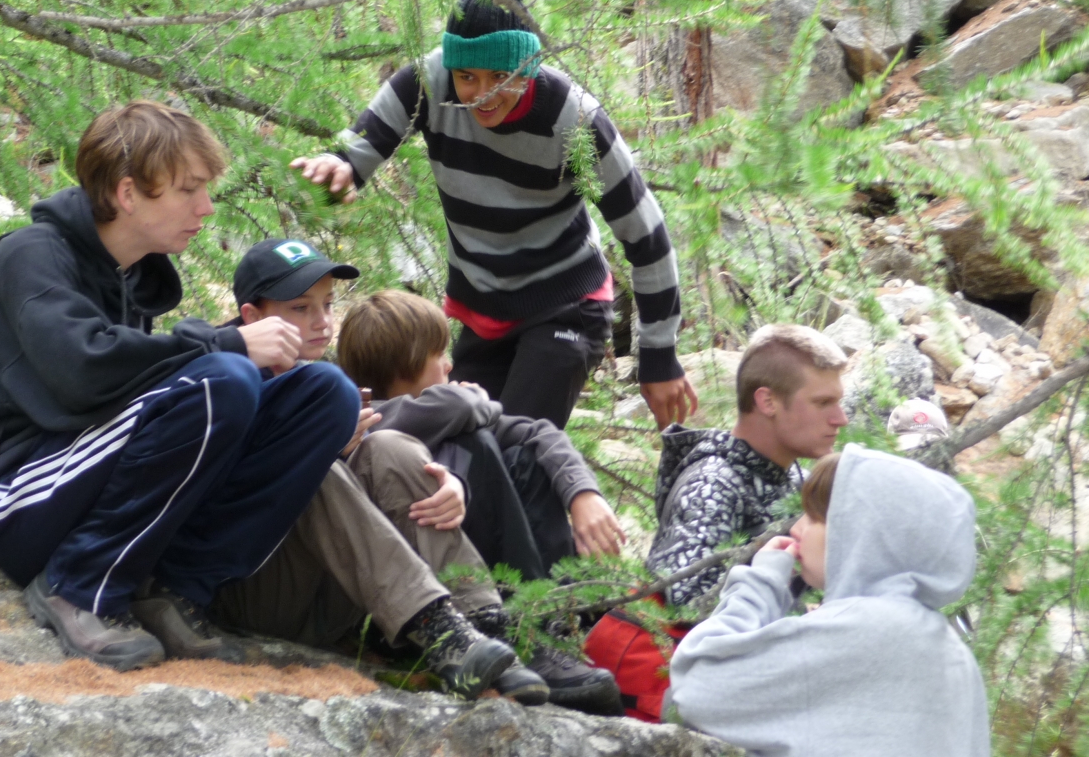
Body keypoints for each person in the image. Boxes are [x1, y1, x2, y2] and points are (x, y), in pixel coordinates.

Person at [0, 101, 513, 699]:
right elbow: (81, 372)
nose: (206, 207)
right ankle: (79, 586)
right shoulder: (34, 253)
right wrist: (228, 343)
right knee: (222, 381)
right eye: (189, 190)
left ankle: (176, 592)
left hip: (79, 476)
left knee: (323, 392)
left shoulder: (128, 275)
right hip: (17, 496)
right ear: (129, 193)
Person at [290, 0, 697, 432]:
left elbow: (646, 235)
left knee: (514, 448)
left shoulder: (574, 119)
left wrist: (659, 356)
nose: (482, 94)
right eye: (467, 76)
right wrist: (338, 167)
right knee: (458, 444)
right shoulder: (430, 81)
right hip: (482, 311)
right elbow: (360, 145)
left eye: (500, 76)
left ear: (528, 66)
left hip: (565, 306)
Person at [216, 238, 548, 705]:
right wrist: (318, 452)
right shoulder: (224, 379)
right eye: (300, 308)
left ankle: (483, 627)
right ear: (252, 317)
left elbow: (421, 428)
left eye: (327, 304)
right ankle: (438, 630)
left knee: (387, 446)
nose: (321, 321)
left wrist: (452, 484)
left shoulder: (326, 381)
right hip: (253, 592)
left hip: (330, 595)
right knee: (315, 468)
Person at [336, 288, 625, 714]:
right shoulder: (365, 423)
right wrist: (470, 399)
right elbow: (431, 411)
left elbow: (540, 433)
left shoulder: (451, 410)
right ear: (406, 365)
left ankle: (553, 624)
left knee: (524, 457)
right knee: (479, 441)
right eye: (438, 355)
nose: (449, 365)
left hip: (477, 573)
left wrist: (583, 494)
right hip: (428, 601)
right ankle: (525, 638)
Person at [669, 446, 990, 756]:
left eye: (815, 516)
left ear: (864, 533)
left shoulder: (867, 628)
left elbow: (699, 684)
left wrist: (761, 584)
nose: (797, 528)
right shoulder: (955, 655)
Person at [647, 324, 849, 606]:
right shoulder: (711, 485)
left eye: (838, 402)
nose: (841, 419)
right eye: (823, 402)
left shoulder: (796, 479)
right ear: (767, 401)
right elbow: (684, 606)